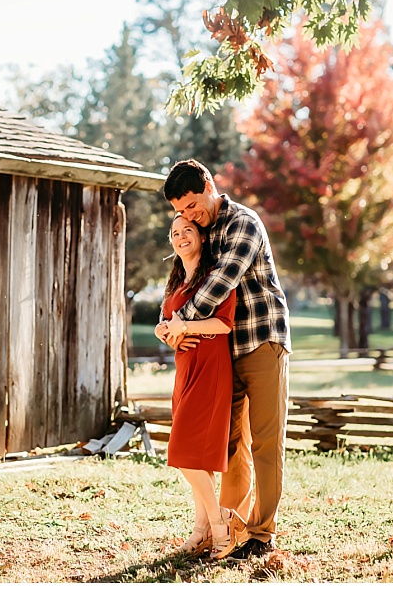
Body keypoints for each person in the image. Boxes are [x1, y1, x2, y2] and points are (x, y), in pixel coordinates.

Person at [161, 159, 291, 561]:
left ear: (210, 186)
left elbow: (221, 283)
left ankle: (261, 532)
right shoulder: (203, 231)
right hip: (225, 352)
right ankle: (229, 526)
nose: (189, 215)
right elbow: (190, 275)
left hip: (262, 340)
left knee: (266, 441)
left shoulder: (243, 224)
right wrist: (169, 326)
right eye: (181, 211)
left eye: (194, 204)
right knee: (232, 445)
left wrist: (181, 322)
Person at [155, 214, 242, 560]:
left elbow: (223, 325)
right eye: (175, 233)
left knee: (182, 451)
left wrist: (185, 328)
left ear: (202, 238)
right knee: (197, 459)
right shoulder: (175, 283)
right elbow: (167, 325)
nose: (180, 237)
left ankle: (221, 523)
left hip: (210, 367)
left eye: (187, 231)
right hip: (184, 369)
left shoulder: (214, 279)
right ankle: (201, 530)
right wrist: (166, 333)